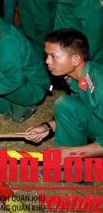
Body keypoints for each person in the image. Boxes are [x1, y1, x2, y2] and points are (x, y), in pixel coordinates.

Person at [25, 29, 103, 173]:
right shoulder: (75, 77)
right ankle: (70, 170)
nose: (47, 61)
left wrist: (73, 153)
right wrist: (47, 128)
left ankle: (73, 167)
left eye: (53, 56)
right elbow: (79, 113)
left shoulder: (99, 85)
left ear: (76, 59)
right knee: (66, 104)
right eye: (47, 55)